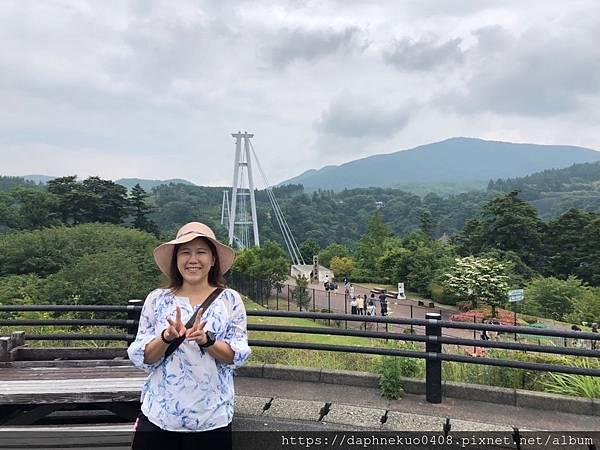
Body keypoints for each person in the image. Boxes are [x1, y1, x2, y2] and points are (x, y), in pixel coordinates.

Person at [127, 222, 251, 450]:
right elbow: (144, 357)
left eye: (201, 252)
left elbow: (236, 356)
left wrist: (208, 341)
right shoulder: (157, 299)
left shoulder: (230, 300)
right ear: (176, 259)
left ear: (213, 259)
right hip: (160, 417)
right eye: (185, 252)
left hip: (211, 418)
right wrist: (166, 337)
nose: (193, 259)